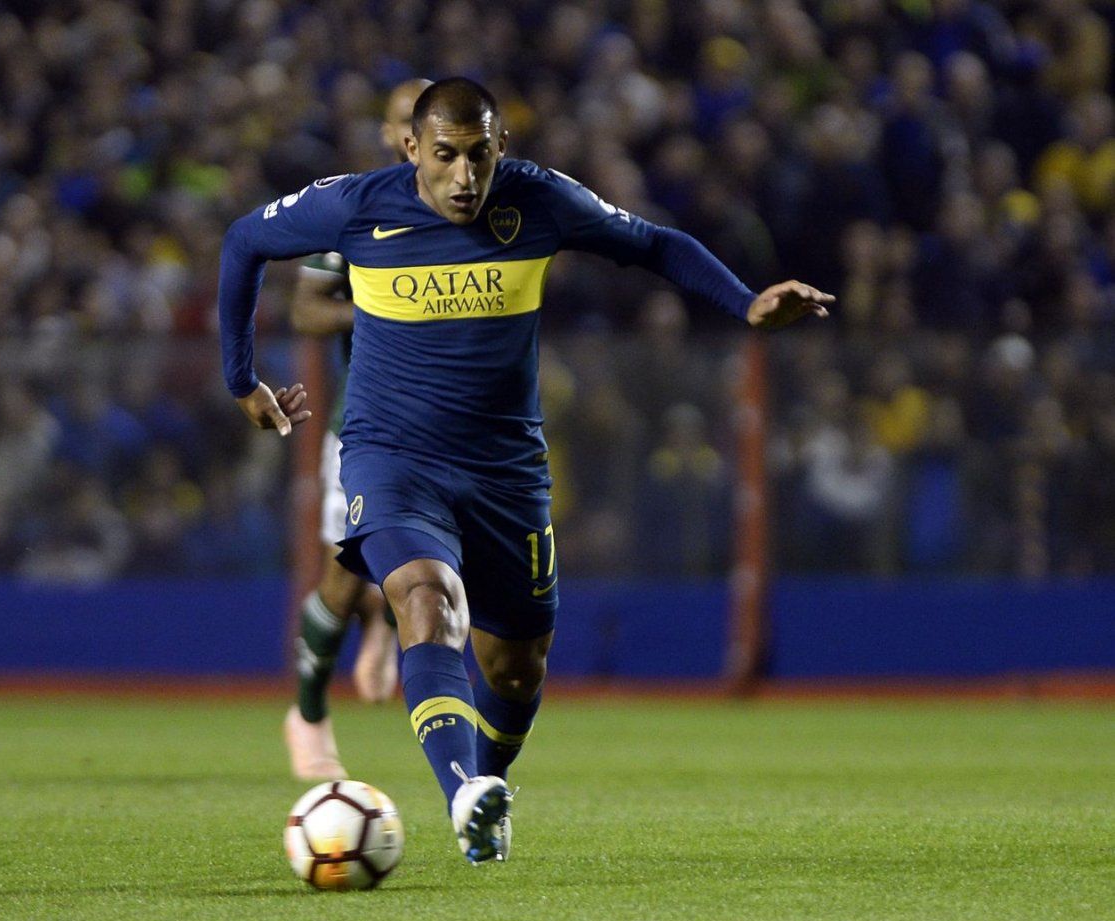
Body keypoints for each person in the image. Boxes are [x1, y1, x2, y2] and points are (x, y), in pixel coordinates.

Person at [219, 78, 833, 865]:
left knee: (514, 665)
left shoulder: (539, 199)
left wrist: (745, 303)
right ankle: (461, 791)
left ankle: (488, 788)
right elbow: (244, 241)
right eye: (445, 156)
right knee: (425, 599)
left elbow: (653, 244)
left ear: (501, 147)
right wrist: (242, 379)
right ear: (411, 149)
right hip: (392, 458)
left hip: (505, 474)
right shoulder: (354, 206)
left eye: (479, 155)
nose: (464, 176)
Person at [283, 79, 431, 783]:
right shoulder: (355, 207)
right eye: (406, 122)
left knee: (443, 575)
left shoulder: (480, 210)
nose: (418, 137)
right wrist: (380, 305)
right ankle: (309, 711)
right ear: (388, 134)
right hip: (367, 428)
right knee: (343, 580)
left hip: (459, 432)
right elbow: (306, 310)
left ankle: (390, 630)